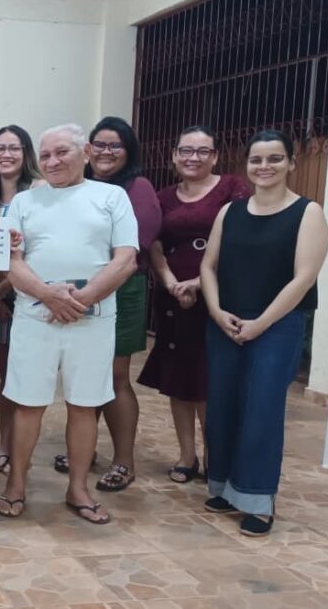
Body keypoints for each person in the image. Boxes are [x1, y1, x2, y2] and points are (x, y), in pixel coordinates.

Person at [0, 124, 138, 524]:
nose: (53, 162)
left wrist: (82, 299)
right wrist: (47, 294)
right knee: (28, 403)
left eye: (62, 152)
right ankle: (16, 484)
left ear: (86, 152)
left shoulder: (111, 197)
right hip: (35, 314)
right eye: (45, 155)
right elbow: (12, 260)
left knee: (85, 404)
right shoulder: (25, 201)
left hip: (92, 319)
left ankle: (78, 488)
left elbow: (126, 257)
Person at [199, 129, 328, 537]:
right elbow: (208, 267)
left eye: (275, 159)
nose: (264, 167)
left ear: (291, 163)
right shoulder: (230, 212)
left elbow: (303, 278)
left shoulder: (308, 213)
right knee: (222, 405)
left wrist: (261, 323)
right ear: (246, 165)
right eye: (257, 159)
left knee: (261, 409)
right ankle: (222, 485)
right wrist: (217, 311)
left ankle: (256, 498)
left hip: (277, 324)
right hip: (226, 320)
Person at [51, 117, 161, 492]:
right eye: (99, 144)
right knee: (84, 374)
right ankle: (86, 451)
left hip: (120, 289)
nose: (105, 152)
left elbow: (132, 249)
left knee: (114, 376)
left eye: (115, 145)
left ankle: (124, 461)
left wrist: (89, 292)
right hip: (75, 290)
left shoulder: (137, 188)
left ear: (128, 151)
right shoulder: (76, 188)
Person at [138, 125, 249, 482]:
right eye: (186, 150)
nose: (193, 158)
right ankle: (187, 457)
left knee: (208, 383)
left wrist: (200, 283)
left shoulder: (233, 189)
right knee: (179, 381)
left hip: (216, 298)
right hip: (173, 300)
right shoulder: (164, 195)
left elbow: (238, 242)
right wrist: (170, 281)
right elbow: (154, 244)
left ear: (215, 156)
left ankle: (216, 455)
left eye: (203, 151)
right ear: (174, 155)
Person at [0, 124, 43, 475]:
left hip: (30, 298)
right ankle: (5, 443)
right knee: (6, 377)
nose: (6, 154)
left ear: (26, 152)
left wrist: (0, 292)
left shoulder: (39, 192)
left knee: (25, 377)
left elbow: (36, 252)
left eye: (14, 148)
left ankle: (22, 449)